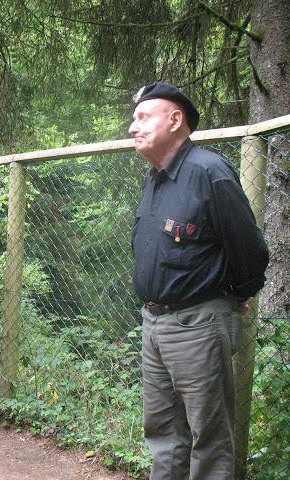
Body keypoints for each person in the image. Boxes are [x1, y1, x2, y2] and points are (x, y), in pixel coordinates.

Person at [129, 82, 269, 479]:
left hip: (198, 324)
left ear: (175, 120)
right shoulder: (154, 178)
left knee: (207, 435)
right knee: (162, 431)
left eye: (143, 117)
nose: (132, 127)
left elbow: (250, 250)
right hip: (154, 324)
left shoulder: (209, 171)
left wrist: (235, 295)